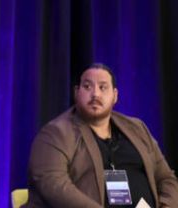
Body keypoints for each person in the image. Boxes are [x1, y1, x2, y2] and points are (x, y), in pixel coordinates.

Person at [25, 63, 178, 207]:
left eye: (103, 87)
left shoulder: (137, 128)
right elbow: (54, 185)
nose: (95, 94)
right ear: (76, 93)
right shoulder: (55, 133)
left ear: (115, 96)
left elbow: (166, 177)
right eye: (87, 86)